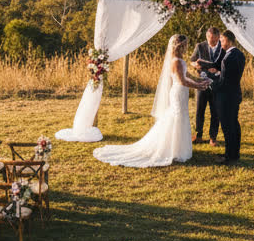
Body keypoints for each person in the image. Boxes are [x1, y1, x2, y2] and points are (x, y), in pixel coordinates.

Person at [93, 35, 209, 168]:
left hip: (182, 93)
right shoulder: (176, 61)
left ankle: (178, 148)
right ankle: (173, 149)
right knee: (177, 118)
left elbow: (187, 75)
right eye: (184, 45)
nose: (186, 47)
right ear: (179, 46)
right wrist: (199, 86)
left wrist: (199, 80)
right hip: (178, 92)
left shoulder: (179, 59)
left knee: (180, 117)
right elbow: (182, 81)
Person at [210, 30, 246, 164]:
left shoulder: (228, 57)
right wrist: (217, 76)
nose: (220, 43)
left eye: (222, 40)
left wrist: (210, 83)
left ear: (229, 40)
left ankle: (229, 156)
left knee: (227, 127)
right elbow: (230, 77)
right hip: (235, 94)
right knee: (234, 125)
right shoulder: (240, 54)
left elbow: (224, 82)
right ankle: (234, 153)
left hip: (225, 97)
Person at [192, 26, 224, 146]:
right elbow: (192, 60)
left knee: (215, 111)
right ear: (207, 37)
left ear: (219, 38)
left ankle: (213, 137)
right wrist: (196, 65)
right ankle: (199, 135)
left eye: (215, 40)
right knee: (199, 109)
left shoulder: (223, 47)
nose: (213, 42)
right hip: (201, 83)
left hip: (217, 84)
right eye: (211, 39)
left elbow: (227, 63)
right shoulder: (200, 46)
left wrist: (218, 69)